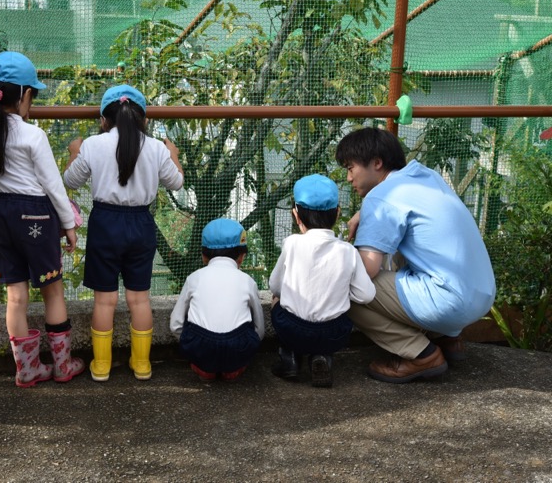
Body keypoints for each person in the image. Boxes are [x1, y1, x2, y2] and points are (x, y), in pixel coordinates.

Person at [0, 51, 84, 388]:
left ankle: (27, 370)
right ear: (26, 94)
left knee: (16, 295)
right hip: (36, 215)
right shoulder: (33, 135)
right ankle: (62, 366)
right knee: (52, 290)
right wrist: (68, 226)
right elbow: (53, 185)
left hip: (0, 212)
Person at [335, 127, 496, 383]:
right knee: (404, 245)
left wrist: (329, 257)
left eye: (350, 168)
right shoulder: (425, 175)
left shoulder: (381, 197)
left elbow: (367, 270)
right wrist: (364, 214)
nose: (348, 177)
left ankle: (421, 355)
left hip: (448, 302)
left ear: (376, 163)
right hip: (482, 296)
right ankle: (448, 339)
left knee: (345, 285)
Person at [63, 84, 183, 381]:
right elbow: (176, 182)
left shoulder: (93, 144)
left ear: (104, 119)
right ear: (144, 120)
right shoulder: (155, 148)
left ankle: (101, 366)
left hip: (105, 223)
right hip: (141, 224)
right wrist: (174, 155)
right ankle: (142, 364)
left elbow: (71, 181)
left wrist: (74, 153)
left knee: (105, 300)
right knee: (139, 299)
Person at [268, 174, 375, 388]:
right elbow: (366, 294)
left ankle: (289, 357)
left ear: (296, 215)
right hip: (334, 335)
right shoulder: (348, 251)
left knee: (275, 301)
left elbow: (275, 285)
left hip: (292, 331)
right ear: (337, 214)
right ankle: (323, 357)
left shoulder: (292, 244)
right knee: (337, 315)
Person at [170, 218, 264, 382]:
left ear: (203, 256)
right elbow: (259, 328)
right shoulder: (247, 281)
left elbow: (175, 324)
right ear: (242, 256)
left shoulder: (194, 278)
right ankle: (234, 368)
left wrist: (191, 345)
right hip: (237, 348)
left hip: (200, 348)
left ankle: (204, 368)